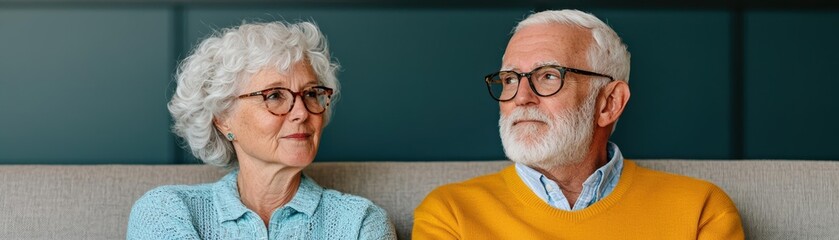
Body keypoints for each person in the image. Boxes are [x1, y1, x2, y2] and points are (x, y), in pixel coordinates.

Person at [413, 9, 744, 239]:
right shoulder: (450, 213)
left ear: (609, 103)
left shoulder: (700, 209)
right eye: (510, 79)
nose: (520, 97)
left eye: (548, 76)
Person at [127, 21, 396, 239]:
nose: (302, 112)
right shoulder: (167, 211)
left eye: (312, 93)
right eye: (275, 96)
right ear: (222, 118)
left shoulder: (360, 223)